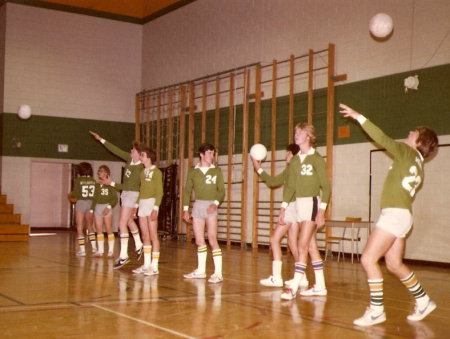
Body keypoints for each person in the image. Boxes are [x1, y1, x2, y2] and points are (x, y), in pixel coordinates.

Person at [339, 103, 438, 326]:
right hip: (403, 217)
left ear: (419, 142)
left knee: (367, 259)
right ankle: (423, 300)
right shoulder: (418, 164)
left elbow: (382, 138)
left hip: (394, 215)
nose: (410, 132)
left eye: (415, 132)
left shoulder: (406, 152)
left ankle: (376, 311)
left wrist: (358, 117)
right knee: (393, 264)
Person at [280, 123, 331, 300]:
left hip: (311, 202)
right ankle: (321, 286)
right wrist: (283, 208)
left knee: (302, 245)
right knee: (310, 246)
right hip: (298, 205)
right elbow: (291, 186)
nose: (296, 135)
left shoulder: (316, 158)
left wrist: (322, 211)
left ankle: (294, 285)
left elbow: (326, 186)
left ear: (308, 136)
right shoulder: (294, 160)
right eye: (295, 132)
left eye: (300, 132)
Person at [251, 143, 308, 289]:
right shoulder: (300, 168)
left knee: (274, 239)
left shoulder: (291, 168)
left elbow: (273, 181)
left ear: (291, 154)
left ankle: (277, 278)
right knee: (293, 244)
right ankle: (302, 278)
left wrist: (258, 168)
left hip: (290, 206)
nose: (285, 157)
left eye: (287, 153)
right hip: (298, 207)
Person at [89, 131, 144, 269]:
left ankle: (124, 255)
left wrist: (111, 183)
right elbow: (115, 150)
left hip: (132, 193)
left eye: (133, 149)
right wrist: (101, 139)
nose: (130, 151)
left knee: (121, 223)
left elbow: (131, 186)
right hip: (125, 193)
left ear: (139, 153)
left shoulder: (140, 168)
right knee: (129, 221)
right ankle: (139, 244)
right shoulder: (128, 159)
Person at [183, 143, 225, 284]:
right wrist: (185, 209)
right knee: (199, 240)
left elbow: (221, 191)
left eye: (213, 153)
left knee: (212, 239)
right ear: (201, 154)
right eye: (208, 153)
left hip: (211, 206)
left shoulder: (217, 171)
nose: (211, 156)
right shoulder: (193, 171)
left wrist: (215, 204)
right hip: (198, 206)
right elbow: (187, 190)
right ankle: (201, 271)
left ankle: (218, 273)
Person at [132, 145, 163, 276]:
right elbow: (141, 191)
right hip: (142, 204)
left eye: (142, 155)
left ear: (149, 157)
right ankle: (146, 265)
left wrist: (155, 208)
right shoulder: (141, 173)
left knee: (153, 236)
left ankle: (154, 267)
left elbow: (159, 192)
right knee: (145, 236)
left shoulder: (157, 172)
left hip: (151, 203)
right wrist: (135, 206)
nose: (140, 157)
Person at [69, 162, 97, 256]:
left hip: (81, 203)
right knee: (90, 226)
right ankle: (94, 248)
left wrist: (70, 194)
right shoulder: (93, 181)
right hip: (91, 203)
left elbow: (75, 195)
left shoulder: (78, 180)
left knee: (80, 227)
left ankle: (82, 250)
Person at [90, 165, 118, 258]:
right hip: (98, 207)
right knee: (98, 229)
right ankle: (100, 250)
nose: (99, 173)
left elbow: (115, 199)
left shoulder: (111, 185)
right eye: (98, 171)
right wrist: (91, 210)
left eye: (101, 171)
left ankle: (110, 251)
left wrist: (109, 207)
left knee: (108, 229)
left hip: (106, 207)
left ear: (106, 173)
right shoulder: (97, 185)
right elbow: (94, 199)